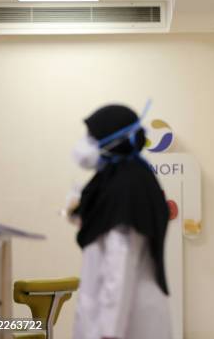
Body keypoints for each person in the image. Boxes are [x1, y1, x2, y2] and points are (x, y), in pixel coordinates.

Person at [70, 104, 172, 339]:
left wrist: (109, 331)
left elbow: (120, 264)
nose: (85, 143)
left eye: (91, 137)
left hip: (125, 320)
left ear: (113, 140)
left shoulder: (126, 187)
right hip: (121, 313)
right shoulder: (124, 177)